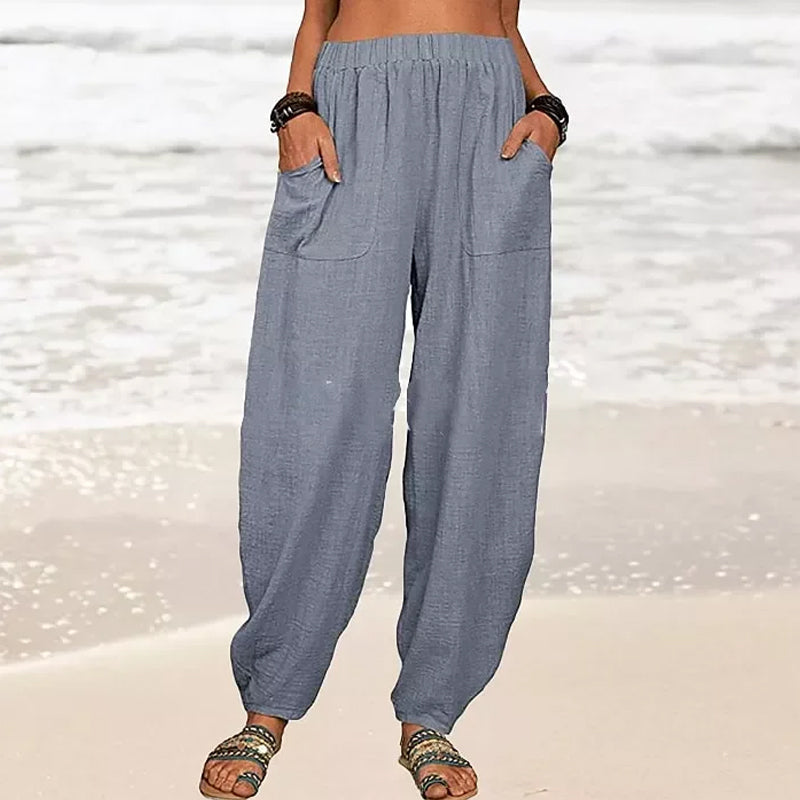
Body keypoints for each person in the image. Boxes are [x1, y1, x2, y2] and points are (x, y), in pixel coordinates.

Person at [199, 0, 568, 797]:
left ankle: (430, 712)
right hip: (353, 108)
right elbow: (318, 12)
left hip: (491, 117)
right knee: (317, 405)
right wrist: (295, 108)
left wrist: (547, 109)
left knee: (480, 410)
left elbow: (504, 18)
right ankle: (269, 700)